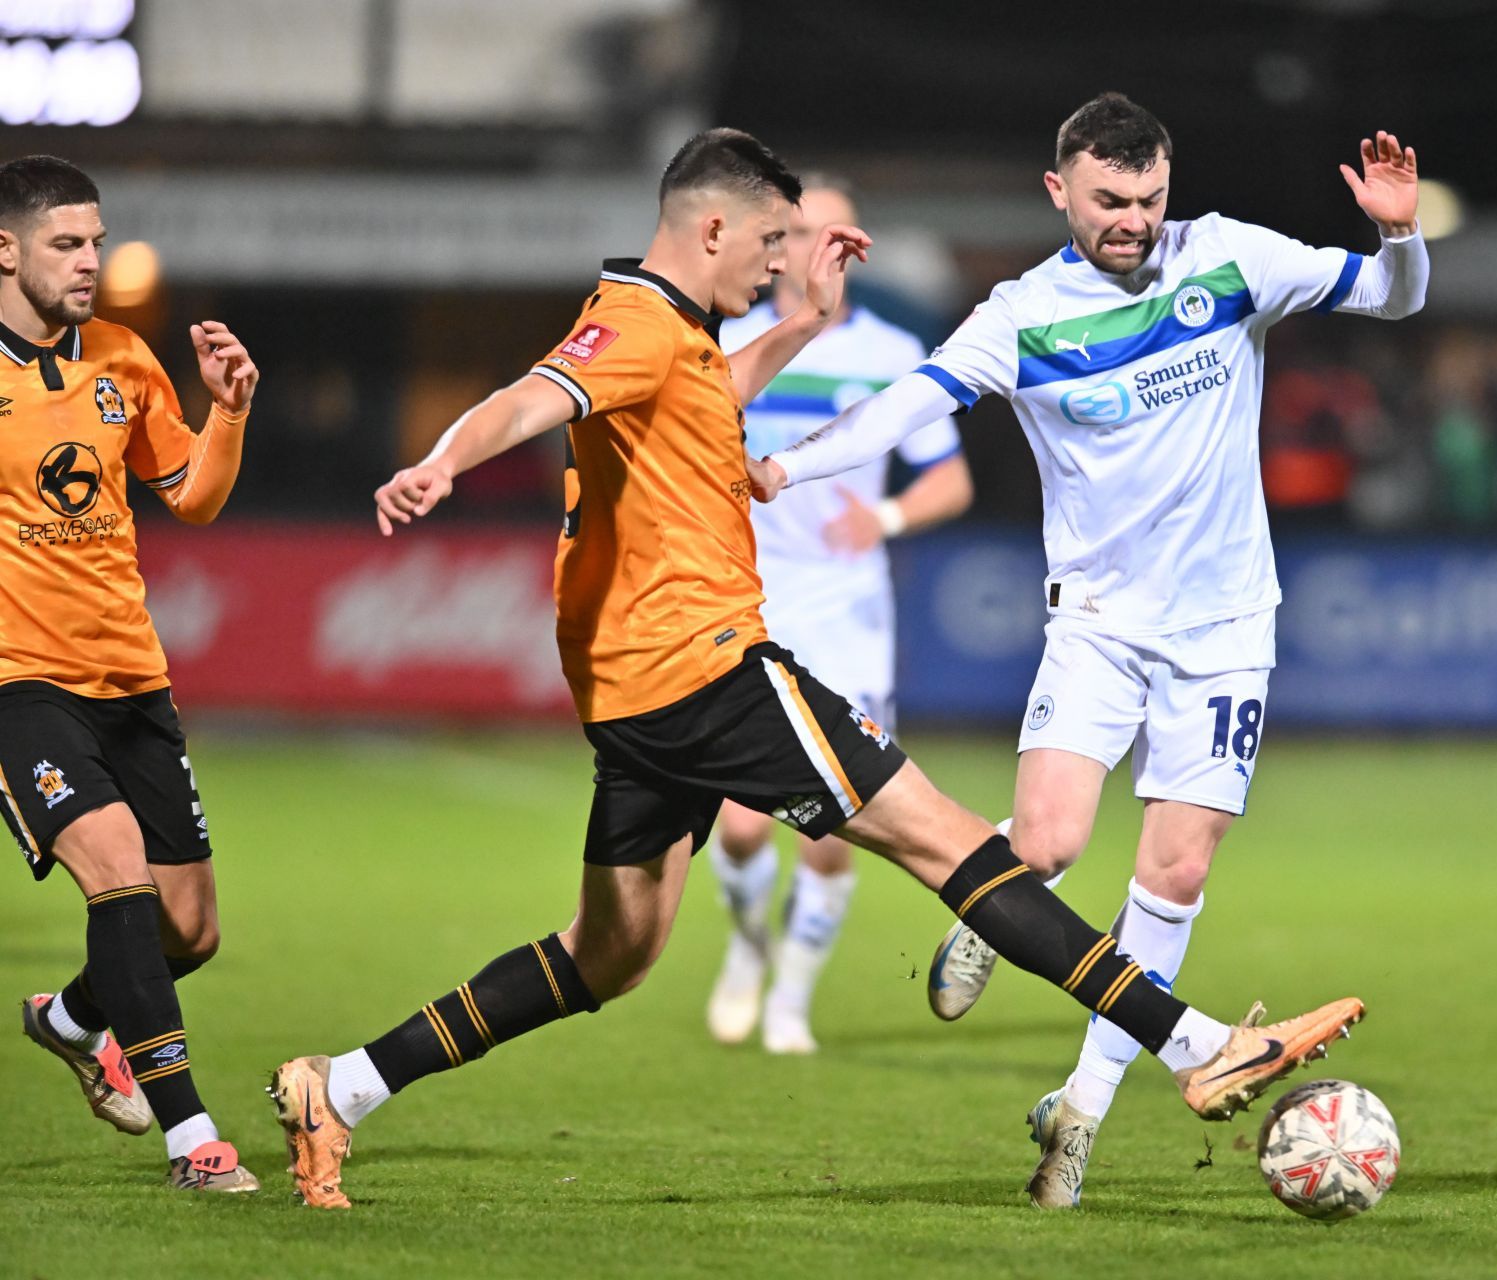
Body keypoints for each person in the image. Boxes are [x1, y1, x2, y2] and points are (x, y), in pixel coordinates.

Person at [269, 128, 1365, 1210]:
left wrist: (801, 322)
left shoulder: (676, 334)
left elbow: (700, 394)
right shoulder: (636, 325)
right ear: (713, 226)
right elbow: (534, 394)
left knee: (609, 953)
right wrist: (440, 460)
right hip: (705, 668)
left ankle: (343, 1085)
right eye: (775, 242)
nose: (784, 259)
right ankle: (1196, 1043)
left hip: (636, 693)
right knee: (950, 842)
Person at [748, 93, 1427, 1208]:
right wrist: (790, 466)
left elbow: (1394, 298)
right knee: (1052, 842)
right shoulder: (1023, 317)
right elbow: (904, 407)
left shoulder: (1229, 261)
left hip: (1225, 629)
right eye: (1111, 201)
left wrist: (1399, 233)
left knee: (1178, 871)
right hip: (1100, 625)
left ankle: (1081, 1112)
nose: (1136, 221)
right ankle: (992, 896)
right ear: (1058, 190)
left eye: (1151, 198)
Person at [1, 155, 263, 1192]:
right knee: (116, 871)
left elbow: (193, 495)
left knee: (186, 928)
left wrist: (230, 409)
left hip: (134, 680)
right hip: (21, 682)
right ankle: (192, 1138)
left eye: (96, 241)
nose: (90, 261)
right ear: (6, 249)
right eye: (67, 243)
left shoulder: (124, 357)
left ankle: (68, 1018)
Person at [705, 175, 973, 1055]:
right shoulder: (730, 343)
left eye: (831, 232)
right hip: (746, 600)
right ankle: (748, 950)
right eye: (798, 232)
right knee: (741, 824)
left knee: (835, 827)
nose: (815, 248)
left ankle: (791, 998)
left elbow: (950, 478)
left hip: (848, 615)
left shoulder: (893, 351)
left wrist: (885, 517)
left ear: (851, 246)